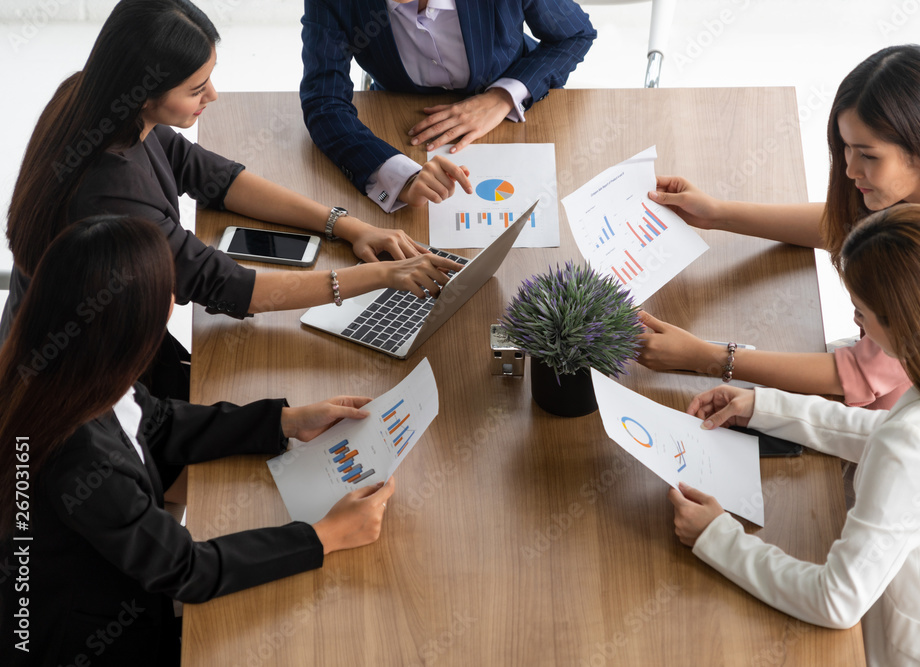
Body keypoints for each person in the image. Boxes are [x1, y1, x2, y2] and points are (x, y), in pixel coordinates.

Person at [4, 0, 462, 399]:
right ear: (144, 95)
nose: (214, 95)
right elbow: (230, 287)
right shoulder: (112, 191)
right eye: (195, 89)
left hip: (97, 344)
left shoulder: (100, 103)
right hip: (81, 382)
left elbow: (215, 178)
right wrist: (380, 276)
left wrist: (346, 225)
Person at [0, 215, 396, 666]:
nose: (175, 297)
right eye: (168, 290)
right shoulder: (84, 460)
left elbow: (157, 420)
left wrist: (286, 421)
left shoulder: (67, 365)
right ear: (135, 320)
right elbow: (187, 569)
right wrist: (324, 536)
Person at [668, 204, 920, 665]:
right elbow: (885, 432)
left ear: (902, 322)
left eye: (861, 314)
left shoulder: (919, 443)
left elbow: (836, 600)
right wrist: (764, 406)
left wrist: (716, 536)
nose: (856, 328)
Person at [636, 45, 920, 410]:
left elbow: (858, 374)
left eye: (868, 155)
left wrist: (706, 357)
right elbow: (844, 225)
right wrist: (717, 214)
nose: (850, 169)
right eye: (845, 147)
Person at [300, 0, 596, 212]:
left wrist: (501, 97)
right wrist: (400, 176)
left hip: (517, 113)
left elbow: (574, 35)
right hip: (400, 123)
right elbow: (324, 101)